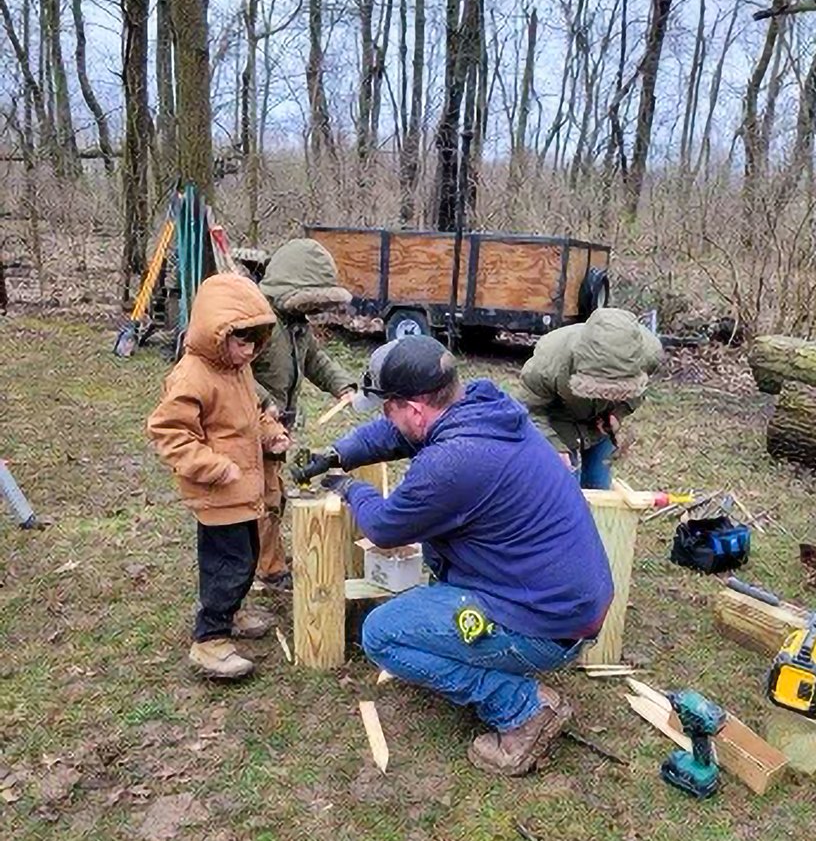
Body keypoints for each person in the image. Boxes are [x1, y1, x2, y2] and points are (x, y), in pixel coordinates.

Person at [295, 335, 614, 777]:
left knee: (382, 634)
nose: (387, 418)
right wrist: (338, 454)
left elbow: (386, 527)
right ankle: (510, 664)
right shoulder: (482, 405)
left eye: (389, 407)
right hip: (565, 601)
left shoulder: (454, 460)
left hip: (546, 624)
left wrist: (352, 488)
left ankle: (523, 710)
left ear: (414, 408)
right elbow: (393, 434)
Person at [147, 273, 290, 680]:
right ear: (216, 332)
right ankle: (209, 640)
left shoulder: (238, 370)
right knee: (227, 566)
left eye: (255, 343)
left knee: (245, 559)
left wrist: (271, 434)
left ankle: (233, 613)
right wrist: (214, 466)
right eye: (241, 341)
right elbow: (168, 432)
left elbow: (252, 417)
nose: (249, 351)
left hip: (245, 492)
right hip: (217, 494)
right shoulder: (193, 375)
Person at [250, 238, 357, 592]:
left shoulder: (295, 324)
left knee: (274, 494)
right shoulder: (257, 322)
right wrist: (265, 405)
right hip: (253, 427)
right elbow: (234, 376)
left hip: (278, 427)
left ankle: (267, 557)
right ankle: (269, 569)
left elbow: (314, 360)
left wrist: (342, 385)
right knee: (264, 499)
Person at [519, 307, 663, 489]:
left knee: (598, 483)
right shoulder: (548, 363)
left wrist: (618, 413)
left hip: (599, 424)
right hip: (558, 420)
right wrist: (552, 445)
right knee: (565, 487)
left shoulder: (648, 355)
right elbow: (530, 409)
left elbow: (638, 392)